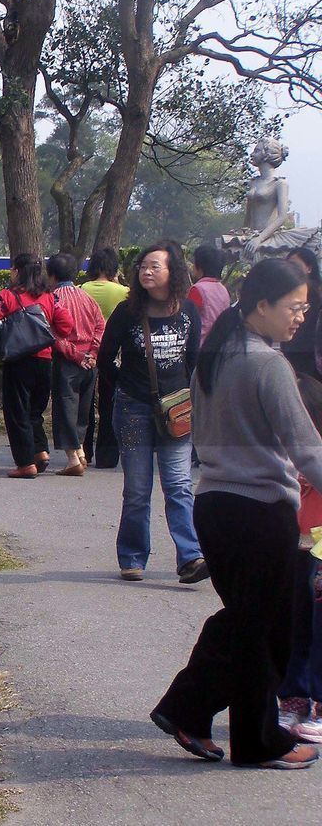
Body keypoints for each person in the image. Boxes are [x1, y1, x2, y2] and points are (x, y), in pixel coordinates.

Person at [152, 258, 322, 769]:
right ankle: (254, 741)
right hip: (258, 511)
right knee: (261, 630)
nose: (300, 318)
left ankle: (189, 708)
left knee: (255, 625)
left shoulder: (219, 352)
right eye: (294, 308)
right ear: (262, 306)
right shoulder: (266, 363)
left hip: (218, 507)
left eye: (306, 308)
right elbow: (307, 449)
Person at [97, 243, 205, 583]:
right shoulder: (126, 312)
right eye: (143, 266)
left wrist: (188, 397)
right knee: (138, 488)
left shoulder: (188, 311)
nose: (147, 271)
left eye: (155, 266)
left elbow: (195, 359)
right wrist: (126, 388)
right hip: (132, 410)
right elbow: (105, 358)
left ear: (172, 271)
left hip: (177, 412)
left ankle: (190, 557)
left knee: (179, 485)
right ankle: (132, 557)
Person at [0, 252, 73, 479]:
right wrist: (49, 334)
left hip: (18, 361)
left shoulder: (6, 297)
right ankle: (40, 452)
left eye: (12, 269)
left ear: (18, 271)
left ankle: (25, 463)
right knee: (35, 412)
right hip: (45, 360)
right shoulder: (49, 297)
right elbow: (66, 325)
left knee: (17, 412)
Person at [277, 375, 322, 744]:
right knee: (293, 627)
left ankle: (321, 704)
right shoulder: (280, 457)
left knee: (320, 631)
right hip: (292, 548)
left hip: (320, 549)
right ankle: (292, 698)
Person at [47, 252, 105, 476]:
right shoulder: (87, 298)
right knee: (83, 408)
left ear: (51, 275)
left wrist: (76, 356)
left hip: (67, 361)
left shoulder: (53, 299)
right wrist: (92, 354)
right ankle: (81, 452)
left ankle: (73, 457)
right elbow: (100, 326)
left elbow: (52, 335)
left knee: (65, 407)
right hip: (90, 362)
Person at [80, 247, 129, 469]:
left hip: (86, 352)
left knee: (86, 403)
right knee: (109, 403)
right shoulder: (123, 293)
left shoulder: (81, 289)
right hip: (113, 354)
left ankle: (84, 451)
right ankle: (107, 455)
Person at [282, 246, 320, 379]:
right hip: (293, 349)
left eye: (295, 265)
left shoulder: (315, 292)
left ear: (309, 268)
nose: (290, 269)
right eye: (288, 265)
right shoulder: (290, 290)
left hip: (308, 353)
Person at [186, 244, 230, 347]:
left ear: (200, 268)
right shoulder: (223, 289)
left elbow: (188, 318)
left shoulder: (197, 289)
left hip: (200, 345)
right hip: (219, 344)